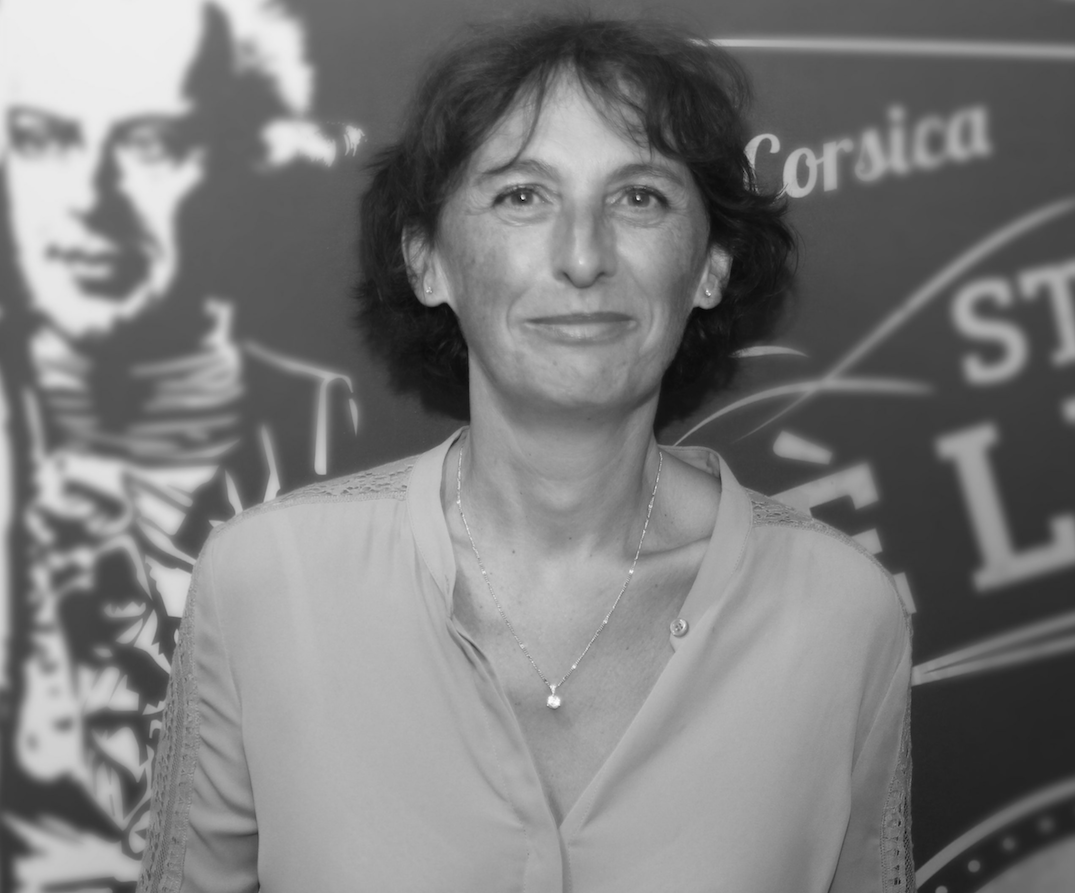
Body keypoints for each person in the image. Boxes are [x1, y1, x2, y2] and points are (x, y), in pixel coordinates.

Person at [139, 13, 914, 893]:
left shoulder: (841, 612)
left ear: (710, 266)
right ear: (426, 260)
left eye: (639, 197)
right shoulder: (265, 584)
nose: (582, 257)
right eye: (521, 196)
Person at [0, 1, 361, 888]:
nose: (90, 200)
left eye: (149, 146)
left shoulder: (333, 428)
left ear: (234, 161)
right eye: (44, 140)